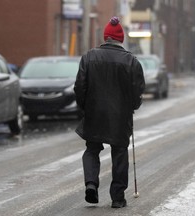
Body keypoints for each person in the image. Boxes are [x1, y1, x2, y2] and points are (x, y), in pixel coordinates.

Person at [74, 16, 145, 208]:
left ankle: (91, 184)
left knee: (91, 149)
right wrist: (133, 106)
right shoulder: (132, 62)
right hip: (120, 116)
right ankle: (118, 197)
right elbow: (137, 91)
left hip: (94, 113)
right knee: (120, 152)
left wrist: (84, 107)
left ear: (106, 37)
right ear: (120, 39)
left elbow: (80, 86)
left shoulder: (89, 57)